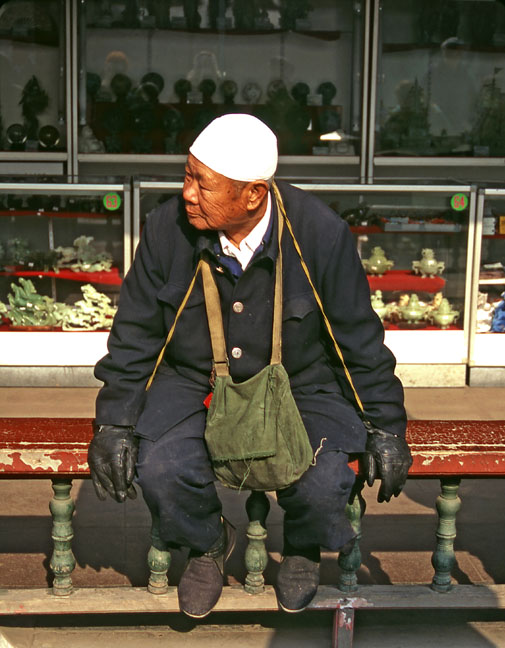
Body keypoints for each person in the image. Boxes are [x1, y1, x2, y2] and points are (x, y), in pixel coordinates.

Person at [88, 113, 412, 619]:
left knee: (328, 478)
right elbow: (135, 335)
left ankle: (303, 546)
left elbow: (358, 339)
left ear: (254, 194)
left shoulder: (321, 233)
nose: (187, 193)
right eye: (187, 175)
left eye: (202, 183)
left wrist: (387, 427)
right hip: (194, 379)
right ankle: (209, 542)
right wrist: (114, 420)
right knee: (162, 468)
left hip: (303, 382)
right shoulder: (165, 228)